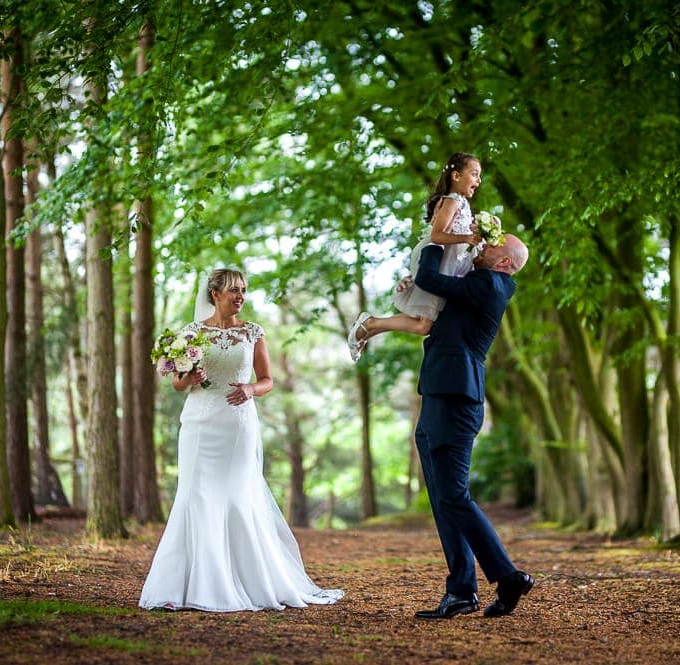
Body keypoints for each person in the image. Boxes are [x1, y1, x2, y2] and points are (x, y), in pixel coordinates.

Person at [139, 268, 343, 612]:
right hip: (200, 425)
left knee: (237, 497)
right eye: (234, 290)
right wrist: (190, 377)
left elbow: (267, 380)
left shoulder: (252, 332)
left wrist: (250, 388)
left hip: (237, 427)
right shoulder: (192, 333)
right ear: (215, 294)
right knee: (195, 496)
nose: (241, 297)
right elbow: (177, 383)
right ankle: (183, 585)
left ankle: (245, 581)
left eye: (244, 291)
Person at [409, 234, 534, 620]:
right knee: (444, 501)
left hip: (457, 401)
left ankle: (507, 575)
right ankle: (462, 590)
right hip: (437, 394)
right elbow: (431, 295)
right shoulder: (479, 282)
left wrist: (435, 236)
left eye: (494, 245)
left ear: (504, 263)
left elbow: (431, 278)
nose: (484, 245)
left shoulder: (491, 285)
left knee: (455, 496)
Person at [347, 153, 483, 361]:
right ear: (456, 176)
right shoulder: (452, 200)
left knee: (422, 323)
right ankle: (371, 324)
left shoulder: (461, 203)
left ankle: (369, 328)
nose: (478, 180)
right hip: (438, 262)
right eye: (474, 174)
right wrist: (468, 237)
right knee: (423, 325)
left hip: (445, 265)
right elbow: (437, 235)